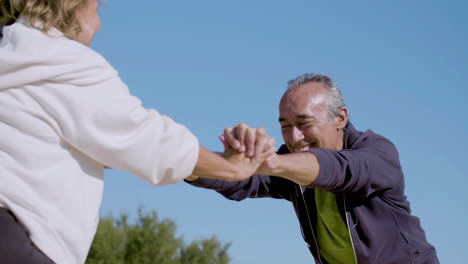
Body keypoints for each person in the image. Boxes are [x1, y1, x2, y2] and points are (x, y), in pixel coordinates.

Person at [0, 1, 274, 263]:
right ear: (73, 6)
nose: (99, 23)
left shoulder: (12, 57)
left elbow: (100, 147)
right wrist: (231, 168)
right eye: (97, 7)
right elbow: (146, 140)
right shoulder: (62, 62)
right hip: (19, 239)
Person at [186, 73, 439, 263]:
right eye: (285, 125)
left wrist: (272, 162)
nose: (294, 137)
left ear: (340, 118)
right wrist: (183, 160)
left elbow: (340, 170)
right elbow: (241, 179)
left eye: (304, 123)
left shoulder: (378, 153)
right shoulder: (290, 162)